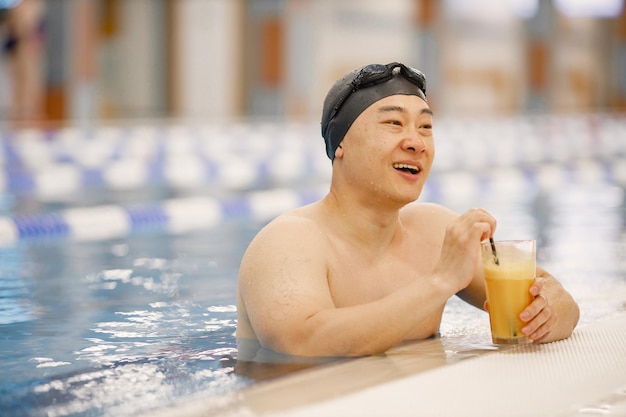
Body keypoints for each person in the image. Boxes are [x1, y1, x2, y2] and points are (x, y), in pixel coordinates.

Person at [236, 62, 579, 360]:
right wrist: (440, 281)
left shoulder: (434, 231)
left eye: (425, 127)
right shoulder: (288, 241)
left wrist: (550, 312)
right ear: (340, 143)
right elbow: (302, 340)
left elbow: (555, 298)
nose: (416, 142)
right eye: (394, 124)